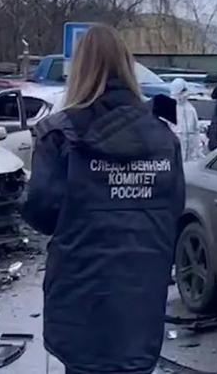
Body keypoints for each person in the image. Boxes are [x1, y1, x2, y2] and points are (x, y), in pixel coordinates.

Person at [21, 24, 185, 374]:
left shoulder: (59, 134)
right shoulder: (163, 136)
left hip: (82, 295)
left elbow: (41, 214)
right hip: (141, 294)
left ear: (79, 69)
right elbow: (174, 209)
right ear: (127, 66)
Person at [169, 78, 204, 162]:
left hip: (190, 155)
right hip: (174, 153)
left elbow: (196, 131)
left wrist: (198, 151)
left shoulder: (190, 109)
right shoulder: (169, 108)